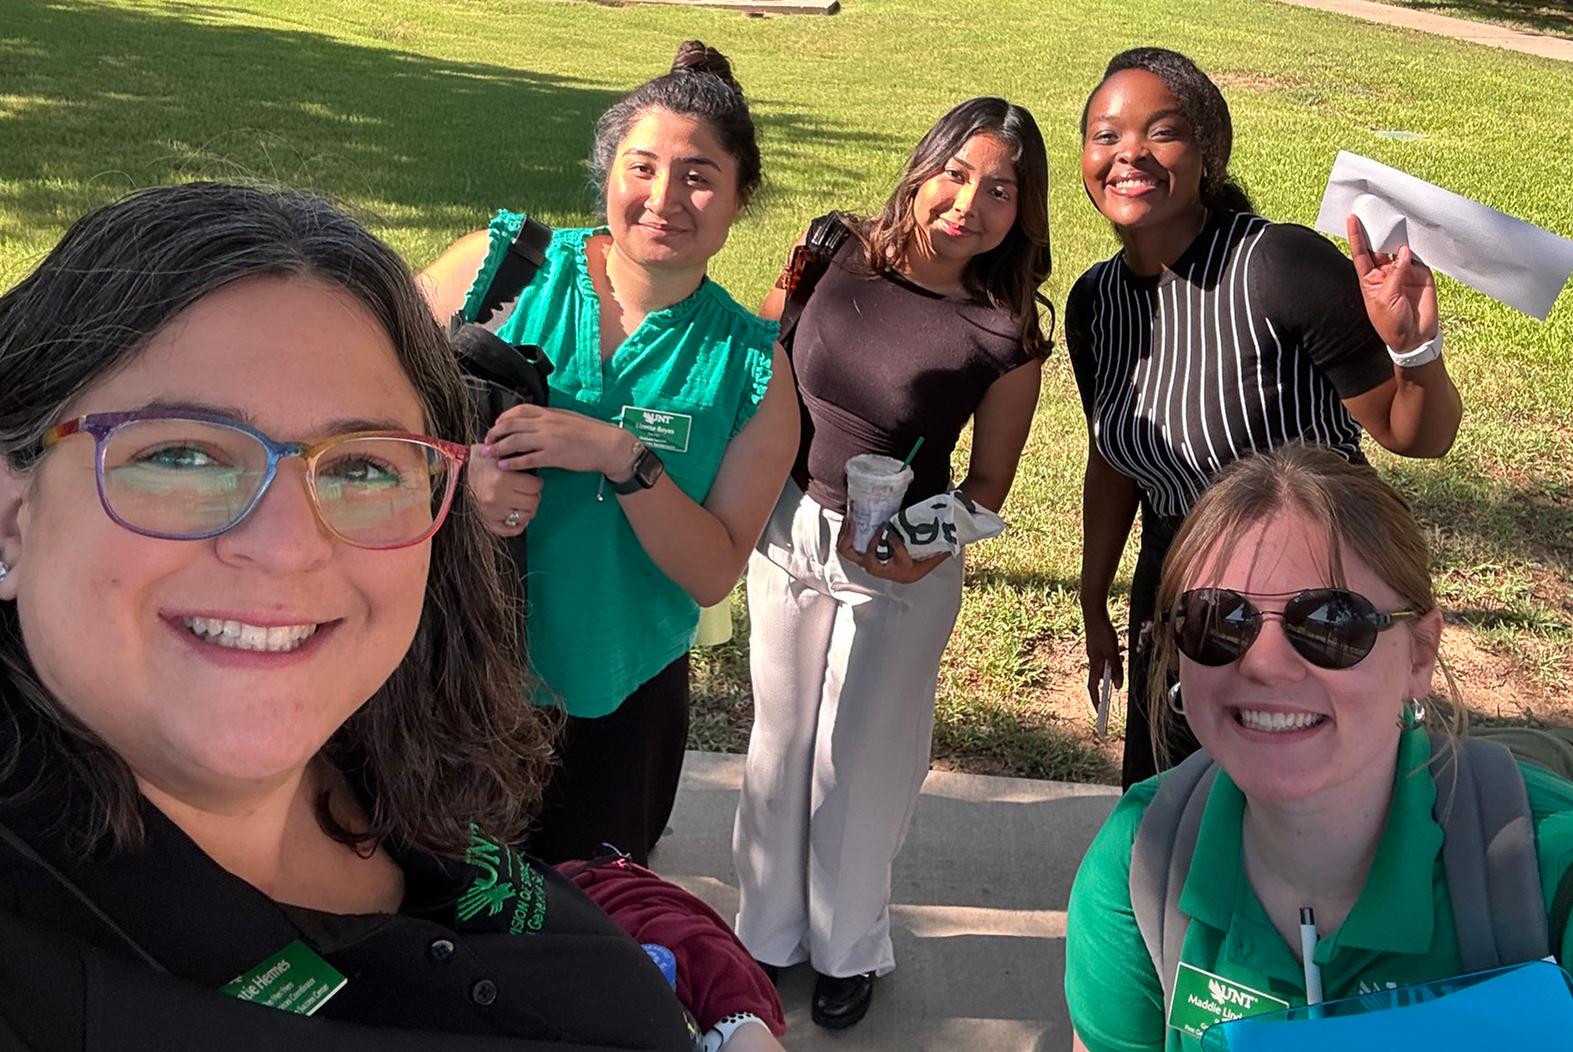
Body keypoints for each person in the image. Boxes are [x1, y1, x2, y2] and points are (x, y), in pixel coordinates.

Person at [0, 182, 714, 1049]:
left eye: (363, 467)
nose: (287, 546)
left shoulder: (378, 760)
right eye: (182, 454)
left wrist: (680, 961)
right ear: (12, 512)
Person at [1062, 444, 1573, 1052]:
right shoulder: (1141, 864)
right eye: (1219, 621)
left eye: (1330, 622)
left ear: (1418, 654)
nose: (1266, 664)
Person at [417, 41, 798, 865]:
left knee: (592, 914)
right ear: (607, 172)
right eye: (642, 167)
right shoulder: (499, 272)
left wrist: (622, 457)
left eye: (698, 177)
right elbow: (354, 416)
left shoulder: (752, 370)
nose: (664, 199)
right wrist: (460, 472)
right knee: (432, 900)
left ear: (740, 198)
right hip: (453, 675)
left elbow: (712, 572)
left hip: (619, 703)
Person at [731, 97, 1052, 1029]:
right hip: (787, 529)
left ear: (1022, 212)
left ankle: (846, 949)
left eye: (1001, 191)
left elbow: (985, 487)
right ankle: (765, 937)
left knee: (859, 762)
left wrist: (921, 549)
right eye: (957, 173)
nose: (969, 204)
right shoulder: (830, 247)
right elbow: (754, 360)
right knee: (781, 743)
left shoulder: (1005, 330)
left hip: (896, 561)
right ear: (923, 166)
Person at [1068, 47, 1465, 788]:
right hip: (1180, 589)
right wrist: (1095, 599)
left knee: (1306, 804)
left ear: (1208, 154)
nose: (1130, 154)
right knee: (1169, 805)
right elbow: (1115, 460)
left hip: (1309, 594)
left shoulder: (1278, 265)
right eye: (1106, 135)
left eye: (1162, 132)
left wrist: (1415, 350)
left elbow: (1416, 434)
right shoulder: (1096, 302)